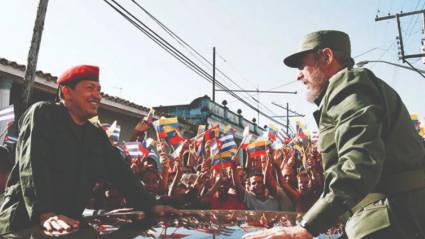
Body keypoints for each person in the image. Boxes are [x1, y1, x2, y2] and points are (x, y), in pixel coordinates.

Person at [244, 30, 425, 239]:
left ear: (327, 57)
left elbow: (358, 163)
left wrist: (306, 227)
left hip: (391, 219)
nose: (298, 74)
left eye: (303, 65)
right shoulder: (348, 89)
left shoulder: (349, 84)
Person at [0, 65, 179, 235]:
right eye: (90, 88)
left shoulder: (95, 135)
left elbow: (121, 172)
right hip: (23, 223)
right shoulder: (43, 114)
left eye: (99, 90)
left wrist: (151, 206)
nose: (97, 95)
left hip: (68, 226)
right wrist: (45, 213)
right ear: (66, 92)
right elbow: (32, 166)